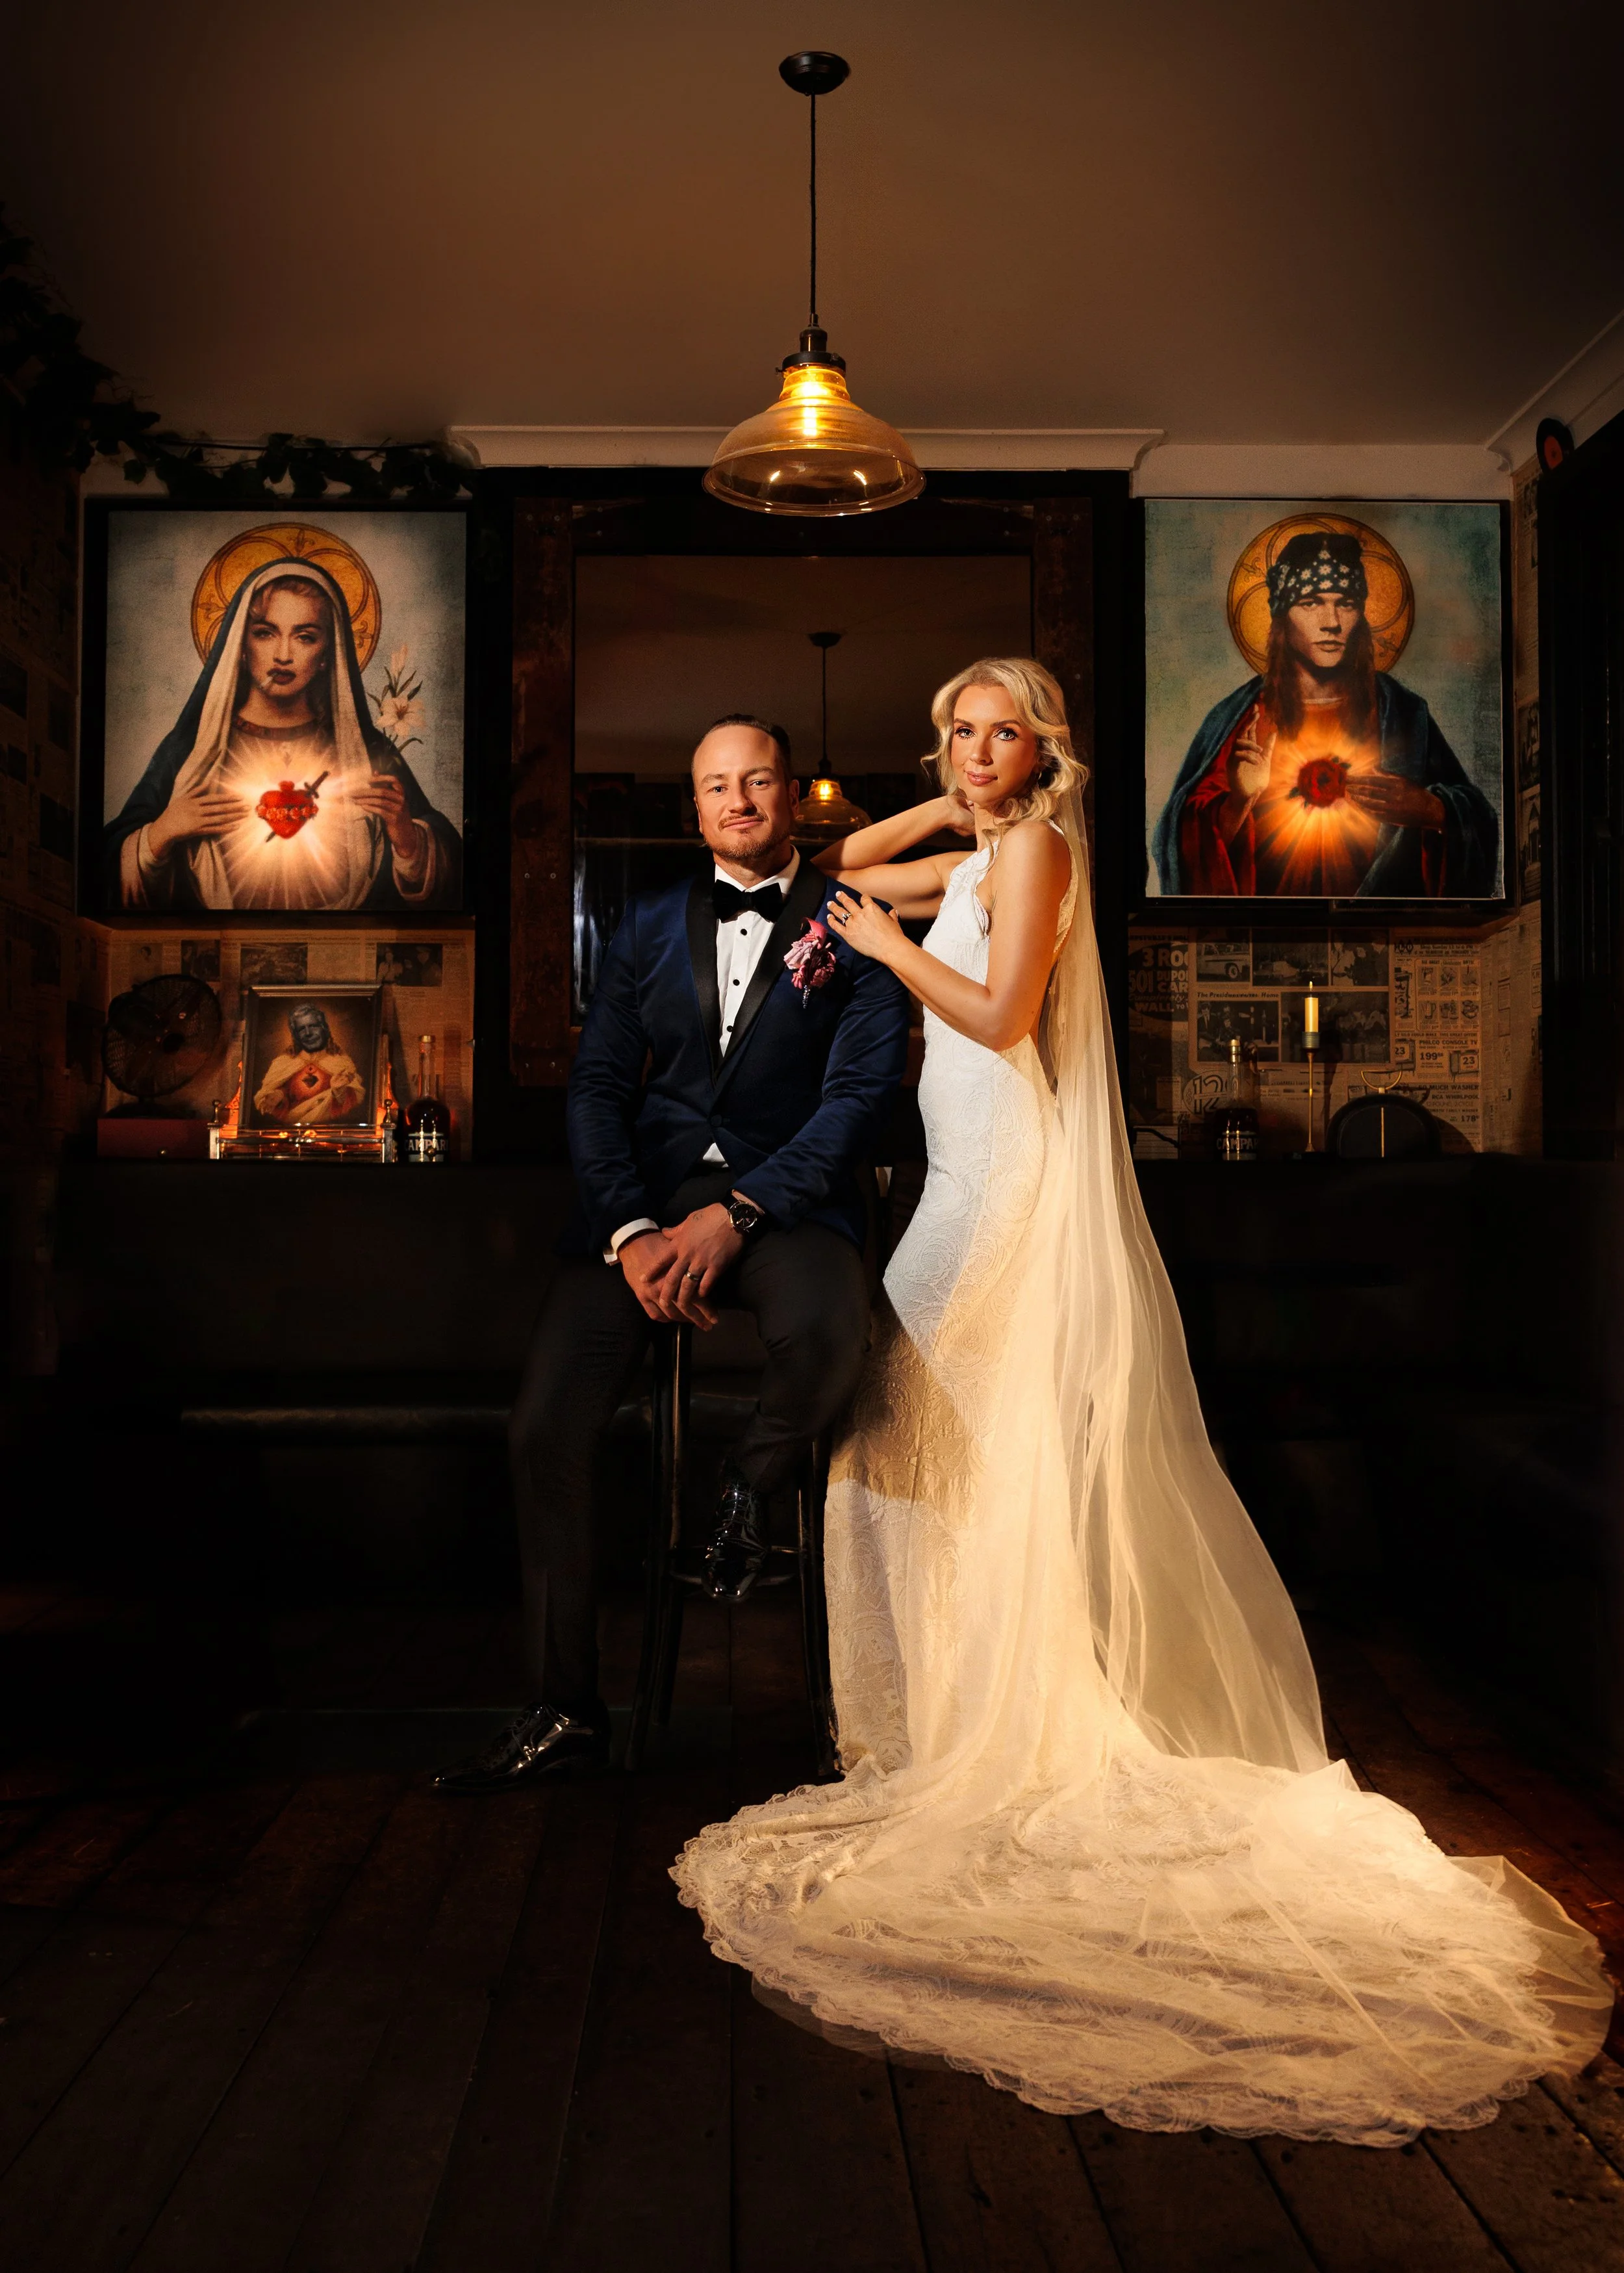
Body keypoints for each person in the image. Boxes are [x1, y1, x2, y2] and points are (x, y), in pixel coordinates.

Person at [674, 657, 1608, 2144]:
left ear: (1050, 753)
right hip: (958, 1184)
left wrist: (904, 932)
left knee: (967, 1454)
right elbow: (839, 859)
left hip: (1013, 1182)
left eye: (1002, 734)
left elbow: (995, 1013)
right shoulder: (985, 837)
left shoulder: (1039, 849)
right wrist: (955, 794)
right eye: (957, 731)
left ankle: (1010, 1733)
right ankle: (953, 1723)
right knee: (914, 1449)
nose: (976, 754)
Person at [433, 715, 910, 1795]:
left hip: (787, 1201)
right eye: (715, 787)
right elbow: (599, 1086)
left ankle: (744, 1497)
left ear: (793, 796)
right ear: (693, 808)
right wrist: (636, 1230)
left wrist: (739, 1212)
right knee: (545, 1427)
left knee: (832, 1333)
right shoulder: (642, 923)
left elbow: (856, 1104)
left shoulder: (861, 927)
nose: (737, 802)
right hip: (646, 1210)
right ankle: (563, 1709)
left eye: (757, 782)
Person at [1152, 532, 1497, 897]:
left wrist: (1433, 809)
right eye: (1310, 602)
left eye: (1346, 603)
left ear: (1362, 614)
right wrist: (1239, 801)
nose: (1331, 621)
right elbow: (1181, 840)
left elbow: (1479, 818)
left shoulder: (1402, 713)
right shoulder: (1240, 718)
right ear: (1283, 616)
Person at [105, 559, 461, 911]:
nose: (284, 655)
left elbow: (452, 882)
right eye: (265, 633)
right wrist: (162, 832)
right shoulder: (193, 749)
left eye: (305, 637)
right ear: (242, 646)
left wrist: (407, 838)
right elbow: (103, 875)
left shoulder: (366, 752)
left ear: (327, 654)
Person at [252, 1003, 366, 1127]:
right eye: (301, 1029)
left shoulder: (341, 1063)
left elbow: (355, 1103)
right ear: (296, 1035)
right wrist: (278, 1095)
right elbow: (275, 1109)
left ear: (323, 1028)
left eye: (313, 1026)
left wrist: (338, 1092)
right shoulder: (284, 1063)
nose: (308, 1033)